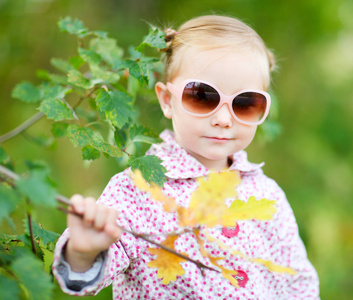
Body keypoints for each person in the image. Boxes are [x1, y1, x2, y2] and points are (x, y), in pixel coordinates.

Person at [52, 15, 320, 299]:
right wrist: (82, 253)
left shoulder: (268, 195)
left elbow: (297, 282)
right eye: (202, 96)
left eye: (244, 103)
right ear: (168, 100)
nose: (223, 119)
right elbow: (94, 270)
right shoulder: (139, 191)